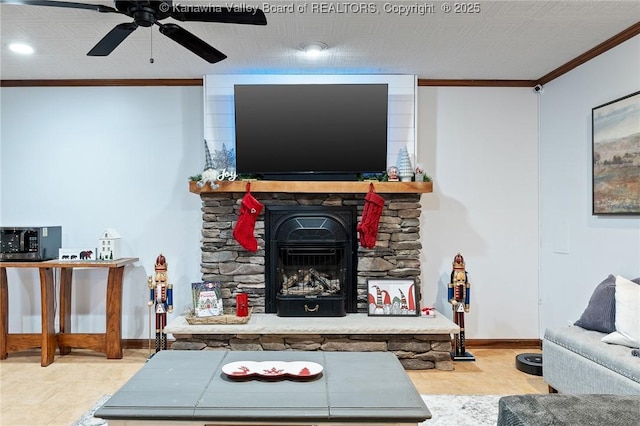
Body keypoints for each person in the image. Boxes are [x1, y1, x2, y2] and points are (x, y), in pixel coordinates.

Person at [448, 253, 473, 360]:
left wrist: (467, 305)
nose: (460, 282)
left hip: (462, 303)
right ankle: (456, 348)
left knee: (462, 326)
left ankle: (462, 348)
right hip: (456, 304)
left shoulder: (466, 285)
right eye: (458, 280)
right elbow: (449, 295)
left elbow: (467, 294)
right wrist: (452, 300)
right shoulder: (451, 285)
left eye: (462, 280)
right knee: (456, 325)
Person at [148, 254, 173, 353]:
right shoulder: (154, 286)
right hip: (157, 306)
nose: (159, 275)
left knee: (164, 328)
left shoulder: (168, 286)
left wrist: (170, 306)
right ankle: (157, 349)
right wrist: (151, 301)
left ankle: (164, 348)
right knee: (157, 328)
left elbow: (169, 296)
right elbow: (151, 295)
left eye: (161, 273)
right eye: (158, 273)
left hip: (163, 306)